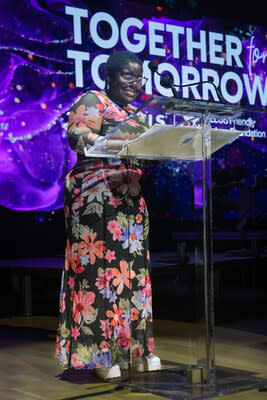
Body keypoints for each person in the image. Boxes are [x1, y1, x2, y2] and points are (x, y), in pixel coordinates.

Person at [55, 51, 161, 379]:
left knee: (132, 278)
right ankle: (100, 356)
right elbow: (78, 137)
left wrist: (162, 148)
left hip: (130, 204)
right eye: (128, 77)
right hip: (96, 200)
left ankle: (133, 350)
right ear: (109, 76)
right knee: (99, 277)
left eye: (139, 78)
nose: (135, 83)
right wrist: (119, 141)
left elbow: (147, 154)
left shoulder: (136, 113)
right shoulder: (93, 99)